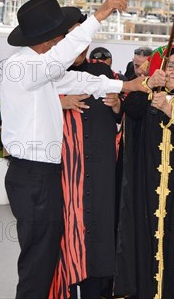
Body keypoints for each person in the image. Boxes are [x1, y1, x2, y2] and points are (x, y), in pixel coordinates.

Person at [0, 0, 148, 299]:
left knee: (43, 257)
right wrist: (100, 15)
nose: (63, 44)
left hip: (39, 176)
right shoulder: (26, 67)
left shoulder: (39, 70)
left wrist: (126, 86)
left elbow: (78, 80)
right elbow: (62, 61)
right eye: (60, 38)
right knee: (37, 264)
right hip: (33, 175)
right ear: (47, 40)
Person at [114, 45, 174, 298]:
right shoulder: (145, 95)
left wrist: (168, 108)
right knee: (144, 239)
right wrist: (147, 88)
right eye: (171, 66)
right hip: (146, 185)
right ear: (161, 68)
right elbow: (130, 110)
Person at [50, 38, 124, 298]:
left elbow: (121, 113)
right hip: (67, 170)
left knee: (101, 230)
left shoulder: (103, 72)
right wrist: (59, 102)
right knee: (69, 229)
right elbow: (26, 105)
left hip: (101, 167)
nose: (80, 49)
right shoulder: (49, 70)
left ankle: (99, 289)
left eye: (84, 43)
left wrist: (117, 106)